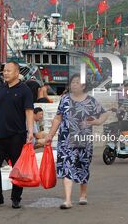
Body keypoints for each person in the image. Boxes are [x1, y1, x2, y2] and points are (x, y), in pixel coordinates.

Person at [46, 73, 109, 209]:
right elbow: (58, 118)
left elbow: (104, 113)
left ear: (83, 85)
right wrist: (50, 135)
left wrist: (98, 121)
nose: (73, 84)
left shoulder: (91, 101)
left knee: (82, 167)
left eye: (77, 82)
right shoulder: (65, 99)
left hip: (83, 140)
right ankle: (67, 200)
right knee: (67, 167)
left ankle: (83, 194)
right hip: (65, 140)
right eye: (72, 82)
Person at [0, 61, 34, 209]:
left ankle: (16, 198)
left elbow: (29, 112)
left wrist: (30, 131)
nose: (5, 73)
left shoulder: (25, 90)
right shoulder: (1, 88)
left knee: (17, 168)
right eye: (4, 71)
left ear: (17, 73)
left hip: (17, 135)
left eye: (9, 71)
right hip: (0, 135)